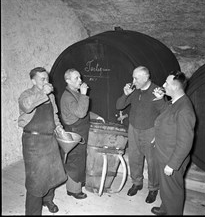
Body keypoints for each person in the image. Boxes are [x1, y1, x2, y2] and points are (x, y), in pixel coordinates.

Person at [18, 67, 67, 215]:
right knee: (35, 179)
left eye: (47, 79)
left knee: (51, 174)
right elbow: (26, 106)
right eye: (42, 79)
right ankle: (33, 212)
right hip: (33, 142)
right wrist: (42, 93)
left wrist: (59, 128)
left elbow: (54, 115)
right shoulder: (26, 94)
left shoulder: (51, 96)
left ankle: (48, 200)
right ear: (33, 81)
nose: (46, 82)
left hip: (50, 139)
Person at [116, 66, 166, 203]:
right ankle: (137, 183)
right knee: (134, 158)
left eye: (136, 78)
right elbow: (119, 106)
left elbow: (166, 114)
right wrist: (125, 94)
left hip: (150, 130)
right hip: (133, 128)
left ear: (145, 78)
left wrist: (161, 100)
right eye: (133, 77)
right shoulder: (134, 90)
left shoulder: (157, 91)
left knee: (152, 162)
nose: (133, 81)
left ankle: (153, 188)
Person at [151, 71, 196, 215]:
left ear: (176, 88)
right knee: (166, 189)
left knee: (173, 191)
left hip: (172, 158)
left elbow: (185, 143)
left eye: (167, 84)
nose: (163, 85)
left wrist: (172, 164)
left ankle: (173, 212)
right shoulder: (177, 102)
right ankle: (165, 208)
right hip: (165, 152)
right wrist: (159, 99)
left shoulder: (185, 110)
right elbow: (168, 115)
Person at [60, 68, 104, 199]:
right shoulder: (68, 96)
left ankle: (76, 184)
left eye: (80, 77)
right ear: (68, 80)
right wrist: (84, 94)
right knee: (75, 161)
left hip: (80, 130)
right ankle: (73, 190)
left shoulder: (74, 92)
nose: (80, 80)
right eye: (76, 78)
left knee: (80, 160)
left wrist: (96, 117)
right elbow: (80, 113)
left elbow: (83, 110)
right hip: (74, 132)